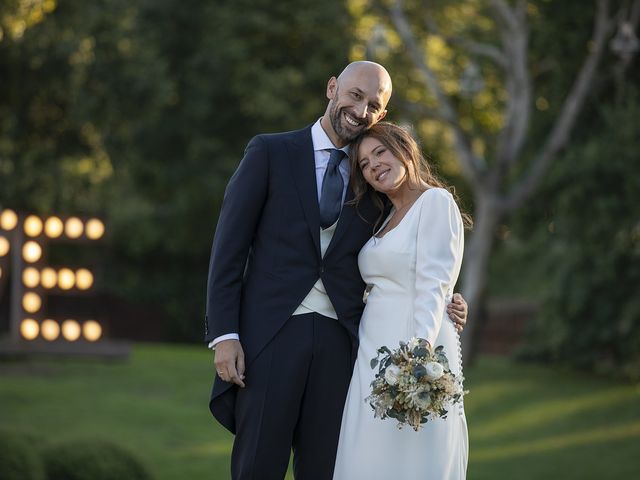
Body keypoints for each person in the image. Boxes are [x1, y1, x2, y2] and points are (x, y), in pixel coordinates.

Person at [204, 61, 468, 480]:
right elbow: (228, 250)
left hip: (343, 343)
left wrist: (450, 299)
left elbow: (411, 254)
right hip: (270, 335)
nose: (361, 109)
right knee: (258, 465)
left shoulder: (375, 184)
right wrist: (225, 335)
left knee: (328, 467)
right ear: (332, 88)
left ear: (381, 116)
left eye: (373, 104)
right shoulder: (270, 152)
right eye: (355, 94)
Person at [332, 121, 471, 479]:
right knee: (366, 454)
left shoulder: (435, 202)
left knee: (411, 456)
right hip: (371, 351)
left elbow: (433, 283)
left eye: (380, 152)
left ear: (404, 148)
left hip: (411, 347)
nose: (374, 164)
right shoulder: (383, 217)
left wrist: (420, 354)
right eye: (364, 163)